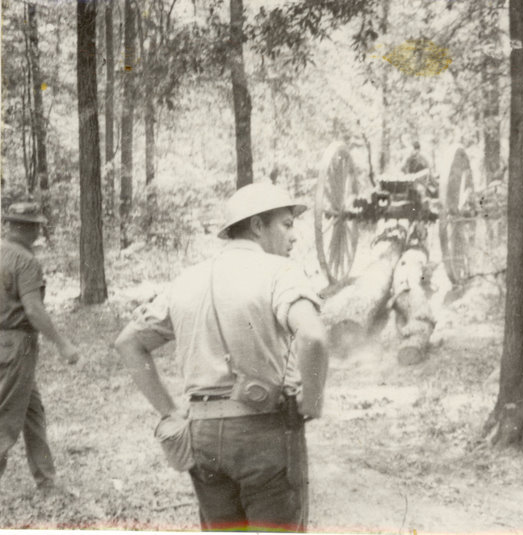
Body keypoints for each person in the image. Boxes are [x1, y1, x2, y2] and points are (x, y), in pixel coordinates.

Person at [114, 182, 329, 531]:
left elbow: (128, 343)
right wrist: (313, 401)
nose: (294, 237)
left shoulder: (185, 280)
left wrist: (170, 410)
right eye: (287, 224)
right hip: (263, 433)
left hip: (201, 437)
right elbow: (315, 337)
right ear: (258, 226)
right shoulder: (280, 273)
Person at [0, 202, 79, 490]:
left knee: (32, 412)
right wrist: (63, 344)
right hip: (17, 346)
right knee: (6, 419)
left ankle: (46, 480)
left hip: (6, 345)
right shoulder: (25, 261)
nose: (38, 230)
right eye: (34, 225)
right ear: (25, 227)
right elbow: (33, 310)